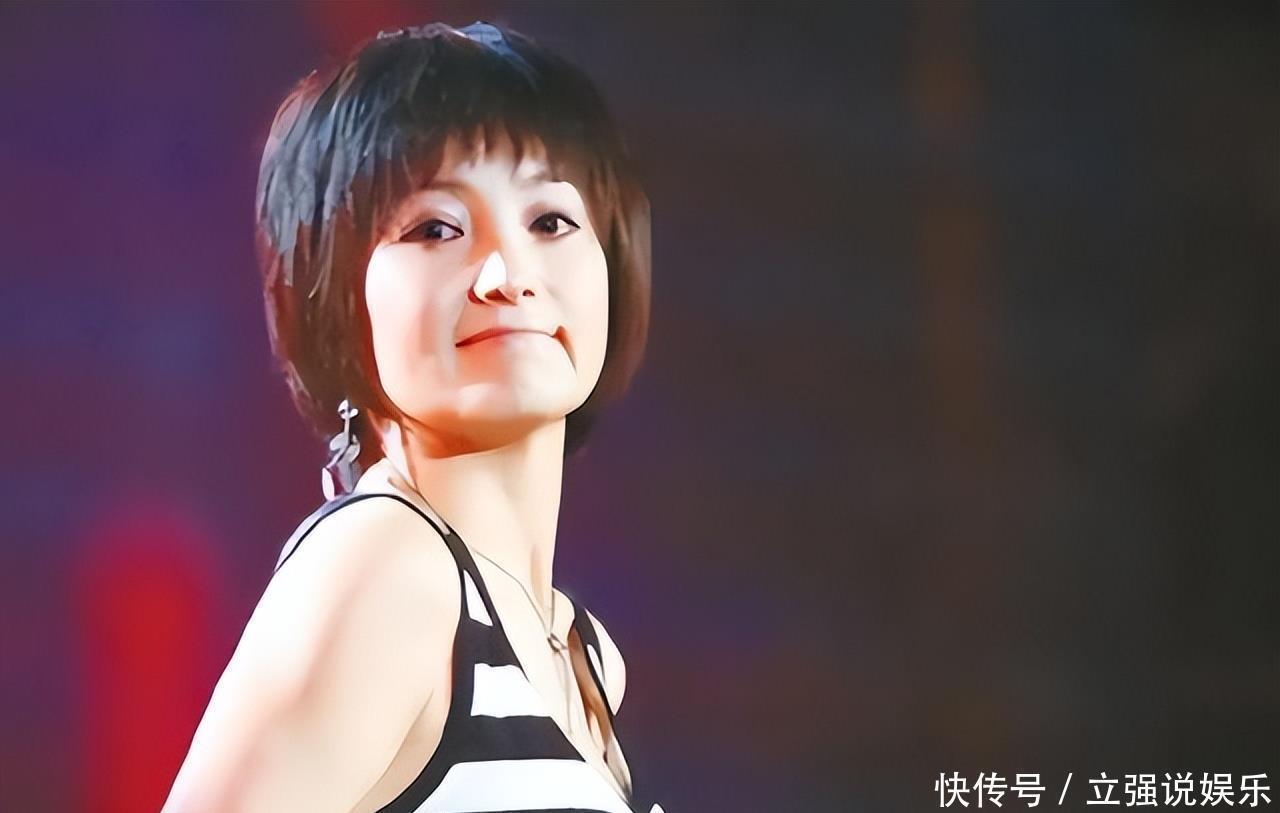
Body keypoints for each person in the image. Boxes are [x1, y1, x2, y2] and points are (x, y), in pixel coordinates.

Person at [161, 21, 662, 813]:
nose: (507, 274)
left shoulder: (586, 658)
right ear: (335, 297)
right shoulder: (391, 569)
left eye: (550, 221)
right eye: (436, 228)